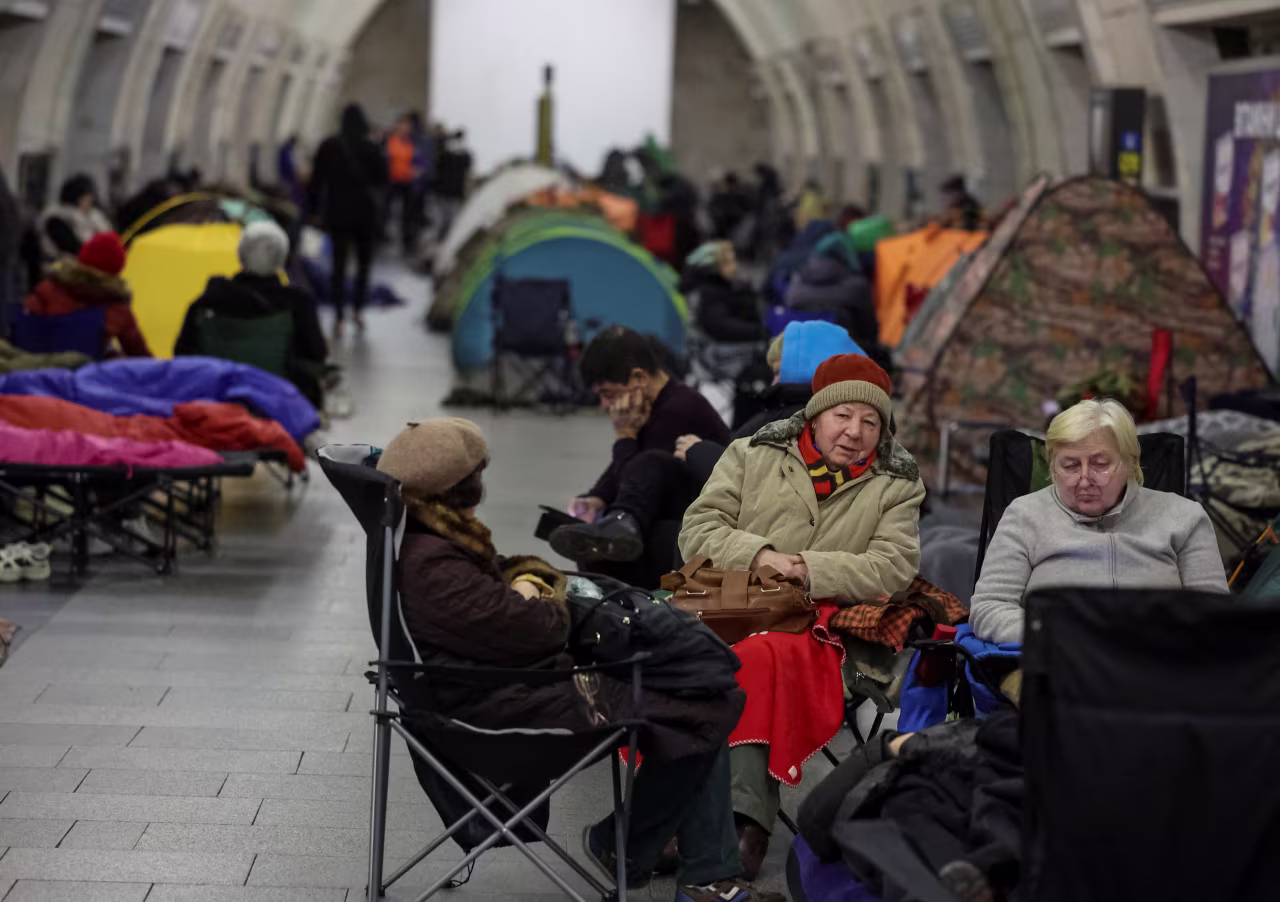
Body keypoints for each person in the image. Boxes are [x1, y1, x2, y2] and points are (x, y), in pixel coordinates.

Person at [377, 418, 782, 902]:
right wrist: (539, 590)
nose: (482, 488)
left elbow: (510, 608)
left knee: (704, 692)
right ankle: (643, 853)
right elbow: (541, 630)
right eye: (477, 477)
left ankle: (685, 867)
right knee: (704, 704)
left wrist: (529, 582)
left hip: (506, 688)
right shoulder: (435, 564)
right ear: (460, 489)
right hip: (502, 707)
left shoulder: (429, 541)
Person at [679, 353, 926, 878]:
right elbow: (697, 531)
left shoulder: (897, 483)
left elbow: (893, 567)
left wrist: (807, 569)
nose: (855, 432)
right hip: (728, 604)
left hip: (828, 632)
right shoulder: (750, 454)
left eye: (870, 421)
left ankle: (738, 824)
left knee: (761, 653)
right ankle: (689, 819)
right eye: (843, 416)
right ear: (815, 416)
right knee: (686, 655)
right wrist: (762, 557)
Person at [970, 398, 1228, 649]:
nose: (1084, 479)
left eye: (1100, 464)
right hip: (1058, 662)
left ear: (1130, 463)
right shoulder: (1024, 516)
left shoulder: (1185, 516)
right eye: (1070, 466)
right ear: (1052, 468)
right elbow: (989, 607)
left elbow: (1215, 613)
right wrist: (1060, 632)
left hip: (1157, 662)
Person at [547, 327, 730, 586]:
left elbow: (637, 474)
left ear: (639, 378)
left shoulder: (678, 411)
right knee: (598, 541)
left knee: (608, 549)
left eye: (607, 394)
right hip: (677, 516)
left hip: (704, 531)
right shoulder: (658, 404)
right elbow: (631, 482)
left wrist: (624, 436)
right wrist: (596, 497)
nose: (604, 405)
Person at [681, 321, 865, 488]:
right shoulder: (864, 420)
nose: (773, 383)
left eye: (779, 372)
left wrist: (698, 452)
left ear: (805, 369)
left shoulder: (797, 418)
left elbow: (756, 485)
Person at [174, 220, 329, 407]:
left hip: (216, 401)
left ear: (240, 254)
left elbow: (181, 355)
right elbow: (316, 354)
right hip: (280, 403)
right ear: (282, 258)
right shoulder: (298, 302)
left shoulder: (207, 301)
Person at [308, 103, 388, 337]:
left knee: (338, 264)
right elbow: (383, 180)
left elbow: (316, 182)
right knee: (364, 263)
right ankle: (358, 311)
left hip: (337, 210)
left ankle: (339, 315)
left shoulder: (328, 146)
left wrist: (313, 211)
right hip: (365, 212)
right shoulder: (372, 148)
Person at [24, 231, 151, 358]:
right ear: (117, 269)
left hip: (40, 369)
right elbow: (139, 354)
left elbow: (26, 333)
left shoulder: (47, 289)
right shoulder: (115, 307)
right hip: (89, 373)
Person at [784, 232, 880, 353]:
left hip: (800, 352)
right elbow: (869, 328)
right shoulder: (856, 285)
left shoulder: (796, 281)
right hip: (843, 355)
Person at [681, 241, 766, 343]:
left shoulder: (726, 286)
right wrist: (758, 331)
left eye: (734, 260)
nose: (735, 267)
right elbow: (720, 326)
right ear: (714, 267)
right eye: (727, 263)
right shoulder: (708, 292)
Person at [39, 174, 114, 263]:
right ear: (76, 199)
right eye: (86, 199)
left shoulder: (94, 218)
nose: (90, 204)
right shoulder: (57, 220)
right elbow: (75, 249)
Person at [385, 113, 430, 256]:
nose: (405, 128)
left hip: (408, 183)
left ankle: (406, 240)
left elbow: (421, 162)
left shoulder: (414, 143)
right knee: (387, 210)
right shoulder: (391, 141)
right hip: (392, 181)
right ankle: (383, 234)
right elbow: (385, 160)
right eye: (402, 124)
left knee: (407, 214)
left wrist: (418, 171)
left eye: (407, 125)